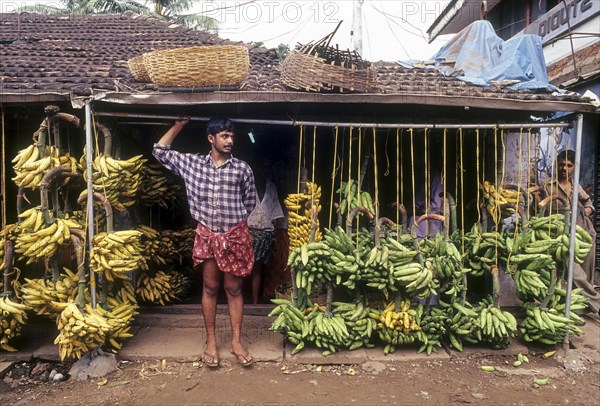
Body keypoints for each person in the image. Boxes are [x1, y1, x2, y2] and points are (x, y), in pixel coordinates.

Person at [153, 117, 257, 367]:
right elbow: (159, 151)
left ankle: (236, 341)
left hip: (234, 235)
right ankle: (211, 341)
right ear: (211, 139)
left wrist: (230, 226)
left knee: (233, 289)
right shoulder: (193, 164)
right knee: (210, 287)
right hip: (207, 235)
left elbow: (250, 201)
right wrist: (178, 126)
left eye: (231, 136)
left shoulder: (242, 169)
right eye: (224, 136)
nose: (230, 140)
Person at [542, 149, 599, 314]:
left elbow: (589, 204)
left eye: (568, 166)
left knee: (586, 273)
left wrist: (584, 211)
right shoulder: (546, 185)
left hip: (585, 233)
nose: (564, 169)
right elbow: (537, 205)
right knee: (574, 272)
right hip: (561, 236)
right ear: (557, 165)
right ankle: (598, 303)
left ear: (573, 167)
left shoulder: (576, 186)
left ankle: (582, 307)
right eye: (561, 165)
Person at [247, 155, 284, 304]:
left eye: (267, 168)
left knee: (258, 268)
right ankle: (238, 298)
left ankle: (255, 302)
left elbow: (275, 213)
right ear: (255, 169)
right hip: (248, 232)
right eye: (261, 167)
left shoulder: (272, 187)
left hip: (266, 233)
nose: (264, 170)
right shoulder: (247, 186)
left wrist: (275, 238)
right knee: (243, 267)